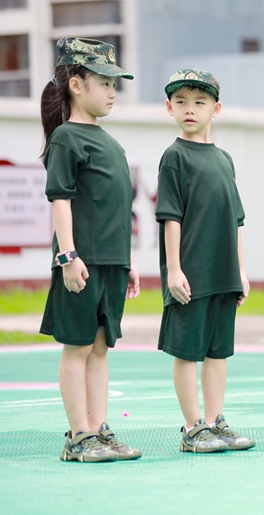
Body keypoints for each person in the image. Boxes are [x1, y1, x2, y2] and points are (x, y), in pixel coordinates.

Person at [39, 37, 142, 462]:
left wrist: (128, 261)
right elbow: (60, 199)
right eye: (104, 81)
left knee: (100, 347)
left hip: (111, 263)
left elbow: (115, 208)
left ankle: (99, 431)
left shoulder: (111, 143)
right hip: (79, 264)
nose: (112, 90)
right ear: (77, 85)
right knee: (78, 347)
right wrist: (68, 256)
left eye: (114, 83)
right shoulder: (67, 138)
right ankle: (78, 436)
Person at [156, 69, 255, 453]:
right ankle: (192, 427)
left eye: (199, 102)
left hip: (223, 273)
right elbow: (170, 217)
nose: (190, 109)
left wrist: (241, 270)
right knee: (188, 351)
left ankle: (215, 422)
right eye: (180, 102)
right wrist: (175, 269)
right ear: (169, 107)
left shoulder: (224, 159)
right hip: (191, 275)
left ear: (216, 108)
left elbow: (236, 220)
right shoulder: (174, 157)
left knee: (217, 352)